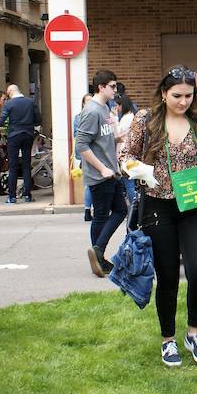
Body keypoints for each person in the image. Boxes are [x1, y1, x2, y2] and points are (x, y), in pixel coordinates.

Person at [119, 65, 197, 367]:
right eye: (177, 95)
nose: (183, 102)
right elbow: (125, 156)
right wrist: (139, 170)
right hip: (158, 205)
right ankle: (168, 340)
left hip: (194, 202)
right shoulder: (147, 119)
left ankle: (194, 332)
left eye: (189, 95)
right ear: (164, 93)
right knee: (167, 276)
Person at [76, 70, 127, 277]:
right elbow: (81, 145)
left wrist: (117, 138)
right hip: (101, 174)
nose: (116, 90)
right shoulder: (92, 111)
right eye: (113, 86)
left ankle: (98, 253)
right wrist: (102, 168)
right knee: (101, 216)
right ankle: (98, 254)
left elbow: (101, 139)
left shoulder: (105, 109)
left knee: (120, 210)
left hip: (111, 171)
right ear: (101, 87)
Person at [0, 84, 41, 204]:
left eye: (8, 93)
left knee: (13, 166)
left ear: (11, 91)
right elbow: (38, 119)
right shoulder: (30, 102)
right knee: (27, 165)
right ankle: (28, 195)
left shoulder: (9, 104)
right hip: (28, 134)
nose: (8, 96)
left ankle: (12, 196)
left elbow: (0, 121)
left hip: (14, 136)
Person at [73, 94, 94, 221]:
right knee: (90, 183)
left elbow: (77, 136)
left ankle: (88, 209)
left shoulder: (78, 117)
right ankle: (88, 209)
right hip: (89, 153)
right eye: (88, 101)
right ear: (83, 104)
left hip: (85, 152)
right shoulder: (81, 117)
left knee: (89, 183)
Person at [114, 94, 138, 202]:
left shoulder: (127, 118)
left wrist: (114, 118)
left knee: (129, 183)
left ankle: (134, 207)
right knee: (129, 182)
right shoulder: (131, 116)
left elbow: (117, 133)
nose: (117, 109)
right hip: (128, 152)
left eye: (117, 106)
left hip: (124, 153)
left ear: (122, 105)